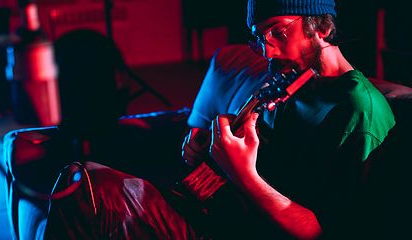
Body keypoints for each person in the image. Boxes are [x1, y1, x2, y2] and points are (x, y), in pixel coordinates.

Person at [41, 0, 396, 239]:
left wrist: (243, 175)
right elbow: (263, 159)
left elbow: (324, 231)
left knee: (89, 192)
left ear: (321, 28)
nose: (268, 50)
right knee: (82, 176)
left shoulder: (357, 112)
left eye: (278, 31)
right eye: (260, 37)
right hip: (218, 211)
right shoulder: (295, 80)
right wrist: (212, 148)